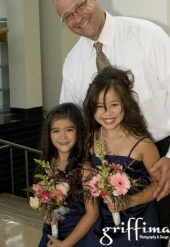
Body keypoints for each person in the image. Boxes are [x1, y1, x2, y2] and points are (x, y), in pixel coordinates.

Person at [52, 0, 170, 246]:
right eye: (67, 16)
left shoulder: (147, 35)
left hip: (157, 157)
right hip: (100, 163)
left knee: (151, 238)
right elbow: (71, 119)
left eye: (80, 6)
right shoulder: (73, 61)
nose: (77, 18)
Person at [83, 66, 161, 246]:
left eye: (114, 105)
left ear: (125, 104)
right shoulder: (90, 138)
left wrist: (128, 202)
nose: (107, 113)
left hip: (138, 222)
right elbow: (86, 163)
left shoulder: (143, 145)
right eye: (100, 106)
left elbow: (159, 184)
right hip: (101, 221)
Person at [36, 103, 99, 247]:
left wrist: (65, 244)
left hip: (75, 238)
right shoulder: (49, 163)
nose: (62, 136)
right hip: (51, 234)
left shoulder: (85, 169)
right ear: (49, 134)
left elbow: (92, 214)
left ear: (79, 131)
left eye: (69, 130)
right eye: (56, 131)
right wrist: (46, 213)